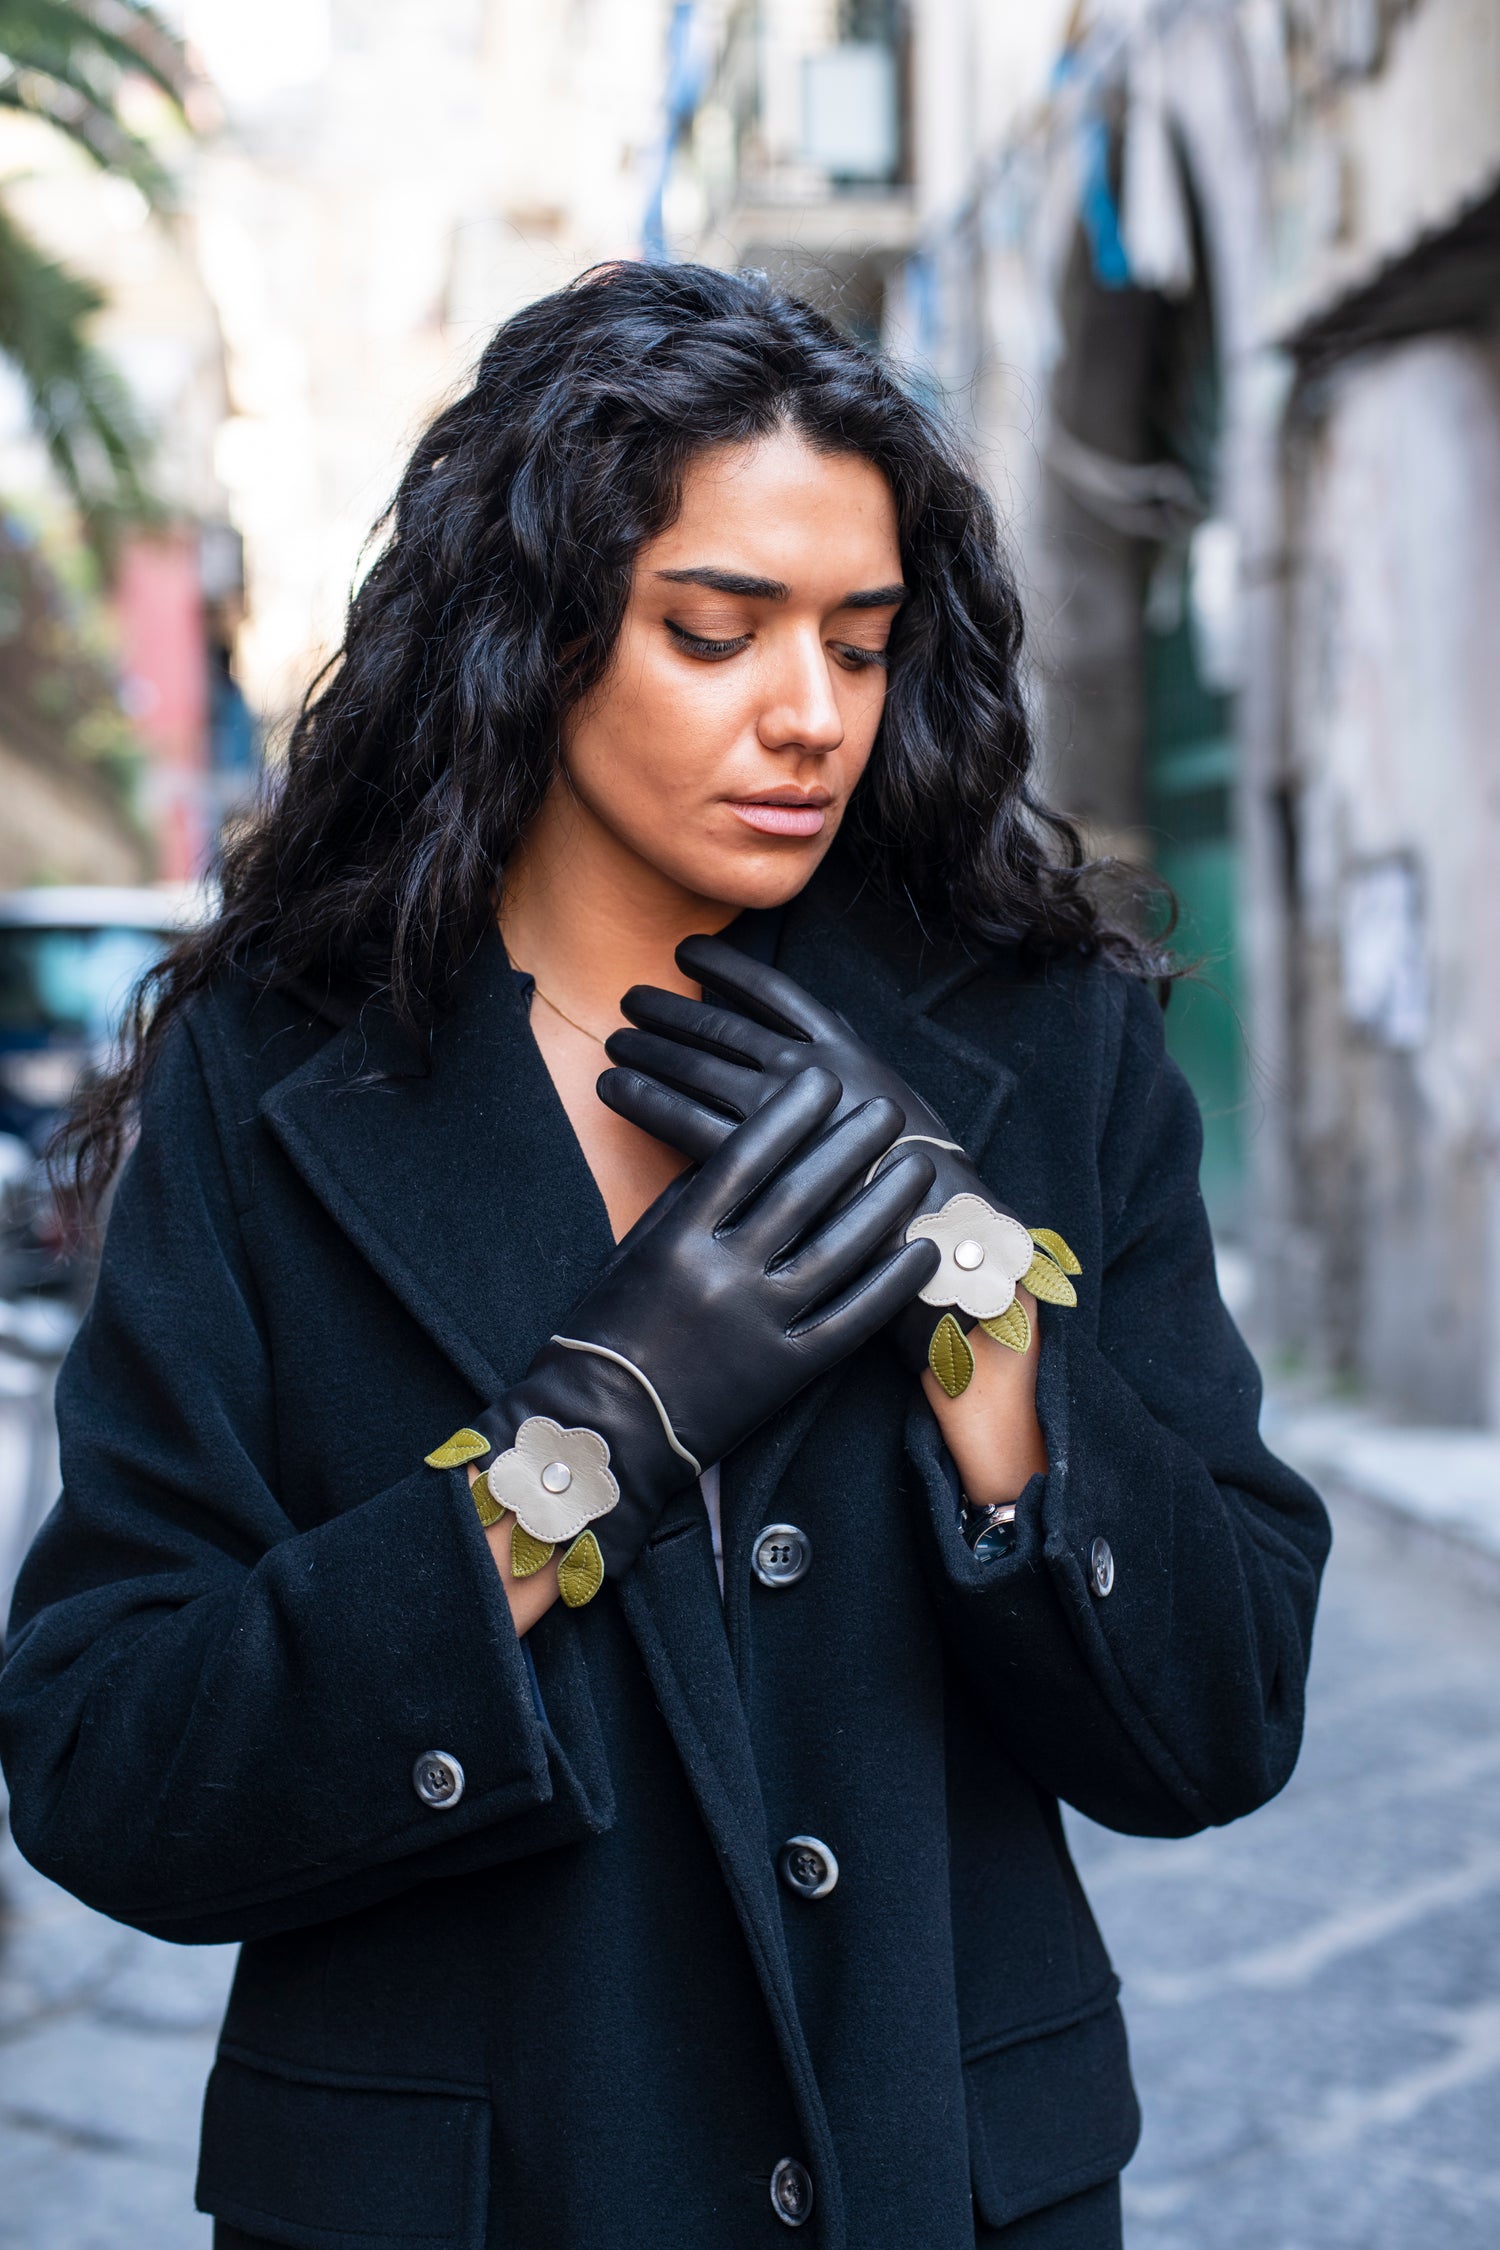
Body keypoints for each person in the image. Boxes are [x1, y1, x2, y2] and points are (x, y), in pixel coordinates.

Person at [0, 263, 1329, 2250]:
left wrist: (974, 1301)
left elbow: (1223, 1722)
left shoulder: (1048, 1045)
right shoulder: (271, 1080)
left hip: (948, 2191)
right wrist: (585, 1449)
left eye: (863, 645)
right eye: (716, 633)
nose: (812, 715)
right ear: (531, 637)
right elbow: (109, 1763)